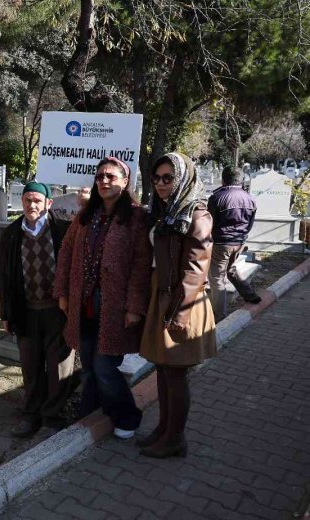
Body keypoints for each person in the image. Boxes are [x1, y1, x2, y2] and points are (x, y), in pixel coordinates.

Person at [54, 157, 151, 440]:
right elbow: (66, 253)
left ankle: (127, 416)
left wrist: (134, 307)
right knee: (88, 366)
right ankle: (90, 412)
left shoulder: (136, 217)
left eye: (111, 176)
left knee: (105, 367)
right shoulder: (87, 215)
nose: (104, 181)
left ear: (125, 181)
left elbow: (141, 265)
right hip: (83, 303)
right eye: (99, 176)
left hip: (114, 307)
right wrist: (62, 292)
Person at [139, 153, 217, 458]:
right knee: (162, 367)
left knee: (174, 372)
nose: (161, 184)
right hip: (162, 293)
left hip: (183, 300)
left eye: (168, 178)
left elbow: (196, 269)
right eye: (157, 178)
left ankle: (175, 438)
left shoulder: (197, 215)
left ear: (183, 179)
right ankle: (164, 428)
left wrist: (180, 314)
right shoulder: (164, 212)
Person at [0, 182, 75, 437]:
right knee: (30, 365)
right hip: (26, 311)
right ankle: (30, 414)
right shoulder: (11, 234)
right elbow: (6, 276)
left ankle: (52, 416)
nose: (32, 205)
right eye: (27, 200)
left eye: (37, 201)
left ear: (48, 203)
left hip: (57, 311)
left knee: (58, 366)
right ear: (21, 201)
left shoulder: (63, 230)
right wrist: (6, 313)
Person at [207, 166, 262, 318]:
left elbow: (209, 223)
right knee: (231, 269)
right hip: (239, 241)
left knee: (216, 278)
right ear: (240, 180)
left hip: (221, 242)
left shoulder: (217, 197)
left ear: (223, 180)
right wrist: (242, 237)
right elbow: (250, 223)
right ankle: (250, 295)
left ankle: (219, 316)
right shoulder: (250, 198)